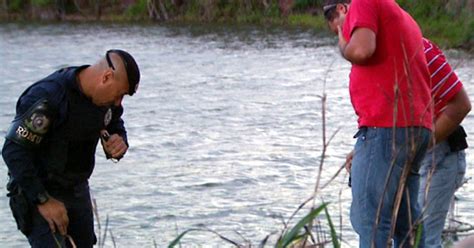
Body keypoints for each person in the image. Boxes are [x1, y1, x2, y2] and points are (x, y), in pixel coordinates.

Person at [2, 49, 140, 247]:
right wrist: (44, 201)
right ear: (106, 77)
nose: (119, 102)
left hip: (77, 190)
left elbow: (114, 121)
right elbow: (13, 151)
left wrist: (119, 141)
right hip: (38, 189)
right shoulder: (49, 97)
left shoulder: (106, 99)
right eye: (119, 95)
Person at [323, 0, 432, 247]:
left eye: (340, 29)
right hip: (413, 127)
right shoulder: (399, 14)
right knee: (406, 225)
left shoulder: (364, 2)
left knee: (371, 222)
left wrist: (343, 45)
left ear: (342, 9)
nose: (345, 33)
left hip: (385, 128)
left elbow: (361, 50)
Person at [418, 38, 471, 248]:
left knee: (424, 240)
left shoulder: (420, 49)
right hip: (419, 157)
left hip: (442, 155)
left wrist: (416, 149)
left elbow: (462, 105)